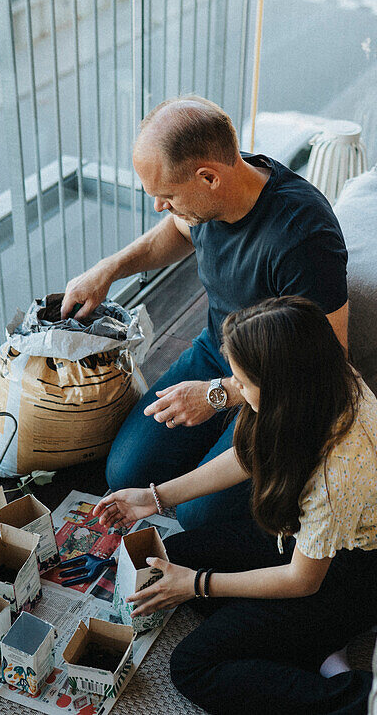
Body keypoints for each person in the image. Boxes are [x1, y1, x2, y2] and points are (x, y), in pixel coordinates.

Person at [93, 296, 377, 715]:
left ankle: (365, 699)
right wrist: (155, 497)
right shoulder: (316, 379)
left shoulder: (340, 471)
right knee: (169, 557)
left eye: (241, 384)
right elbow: (248, 454)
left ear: (278, 388)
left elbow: (301, 581)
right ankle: (306, 645)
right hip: (304, 539)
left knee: (193, 665)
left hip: (354, 572)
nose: (231, 391)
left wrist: (197, 583)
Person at [62, 95, 349, 530]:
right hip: (217, 350)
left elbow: (328, 364)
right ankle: (217, 440)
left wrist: (219, 395)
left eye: (167, 196)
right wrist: (110, 269)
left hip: (276, 383)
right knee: (124, 471)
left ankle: (228, 441)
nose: (160, 207)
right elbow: (179, 229)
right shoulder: (210, 197)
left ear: (208, 178)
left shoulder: (304, 237)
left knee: (200, 518)